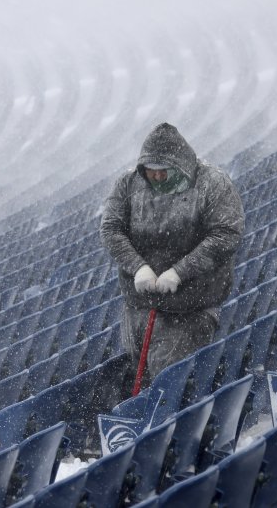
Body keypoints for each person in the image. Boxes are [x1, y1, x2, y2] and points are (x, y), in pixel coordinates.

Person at [100, 122, 245, 383]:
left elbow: (226, 234)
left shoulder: (212, 184)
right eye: (150, 171)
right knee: (139, 377)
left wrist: (180, 271)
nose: (155, 177)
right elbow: (111, 228)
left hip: (189, 309)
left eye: (163, 171)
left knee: (169, 382)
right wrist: (138, 266)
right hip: (139, 305)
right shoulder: (128, 184)